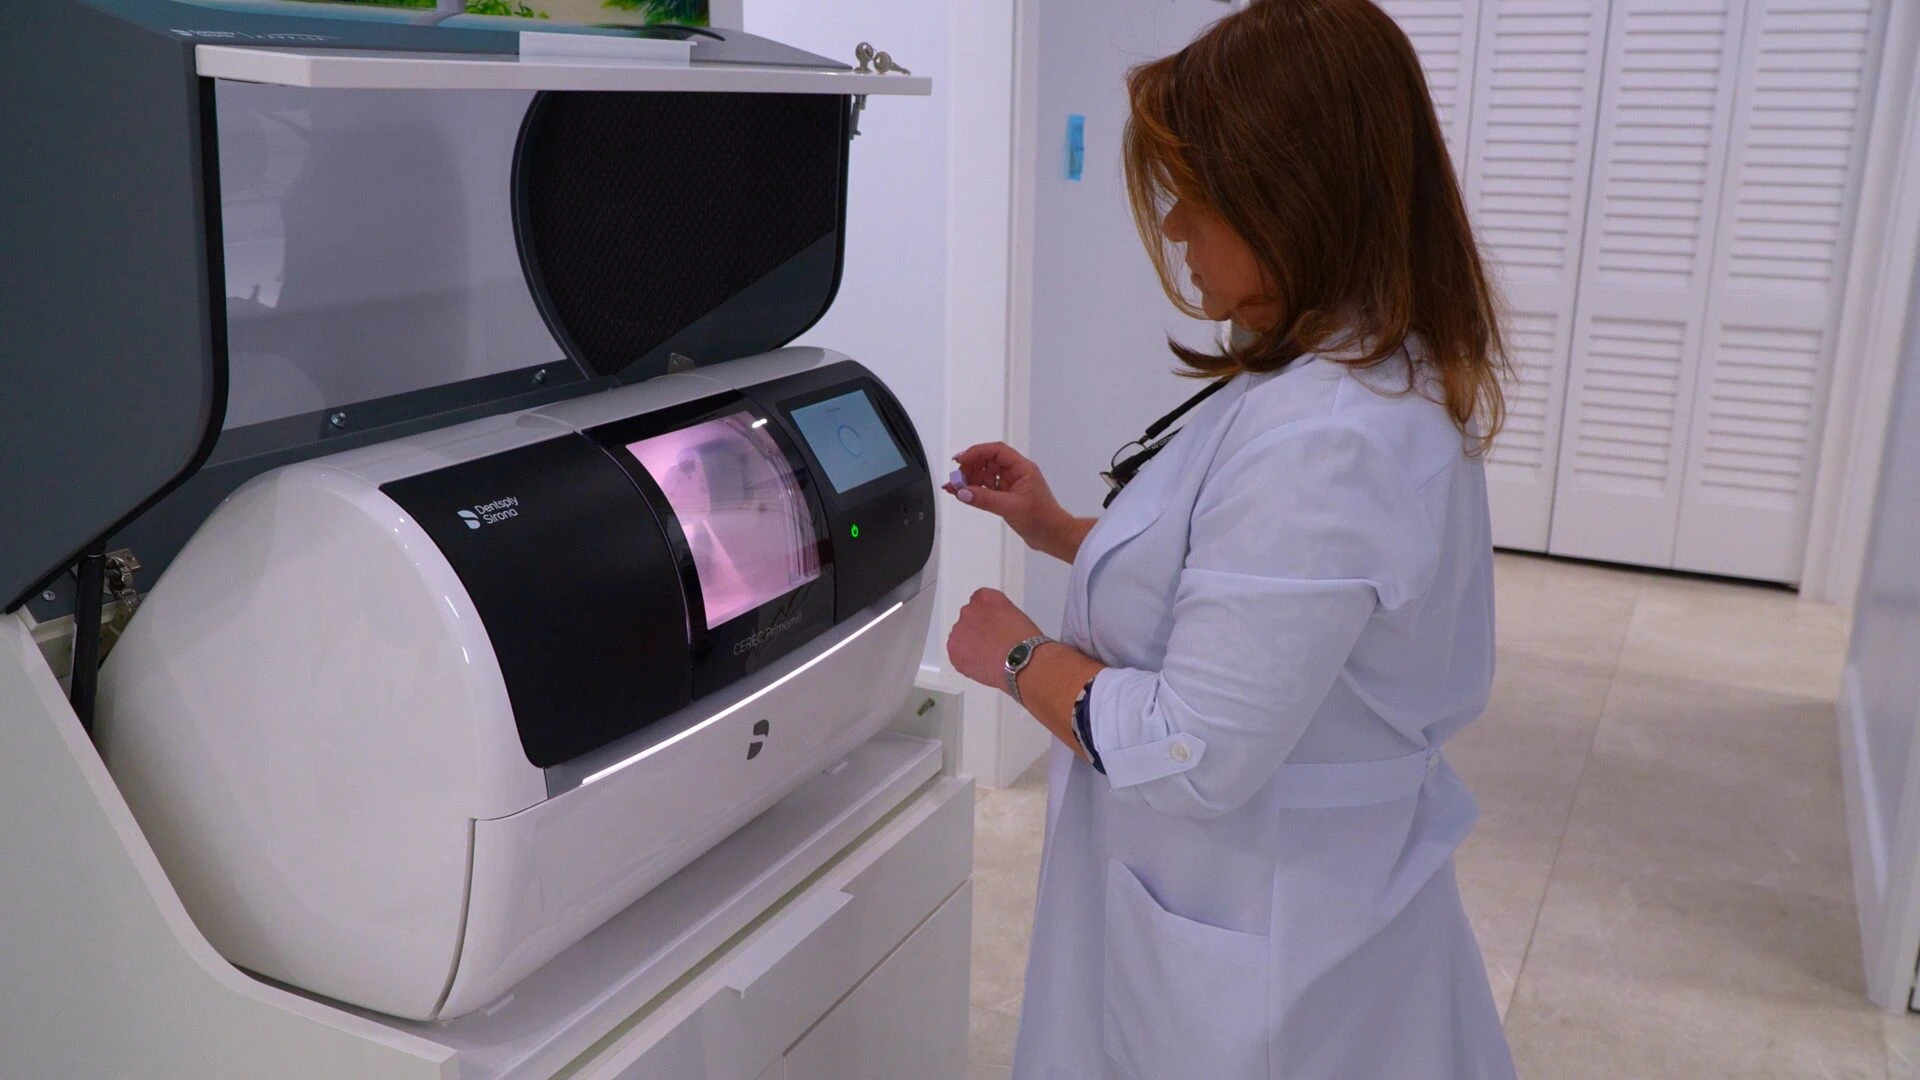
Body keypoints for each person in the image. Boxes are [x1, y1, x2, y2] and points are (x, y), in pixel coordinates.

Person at [941, 1, 1520, 1076]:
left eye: (1196, 198)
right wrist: (1059, 528)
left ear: (1293, 199)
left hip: (1267, 938)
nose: (1174, 231)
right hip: (1291, 896)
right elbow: (1250, 592)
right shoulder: (1353, 371)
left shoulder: (1330, 438)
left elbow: (1191, 747)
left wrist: (1017, 656)